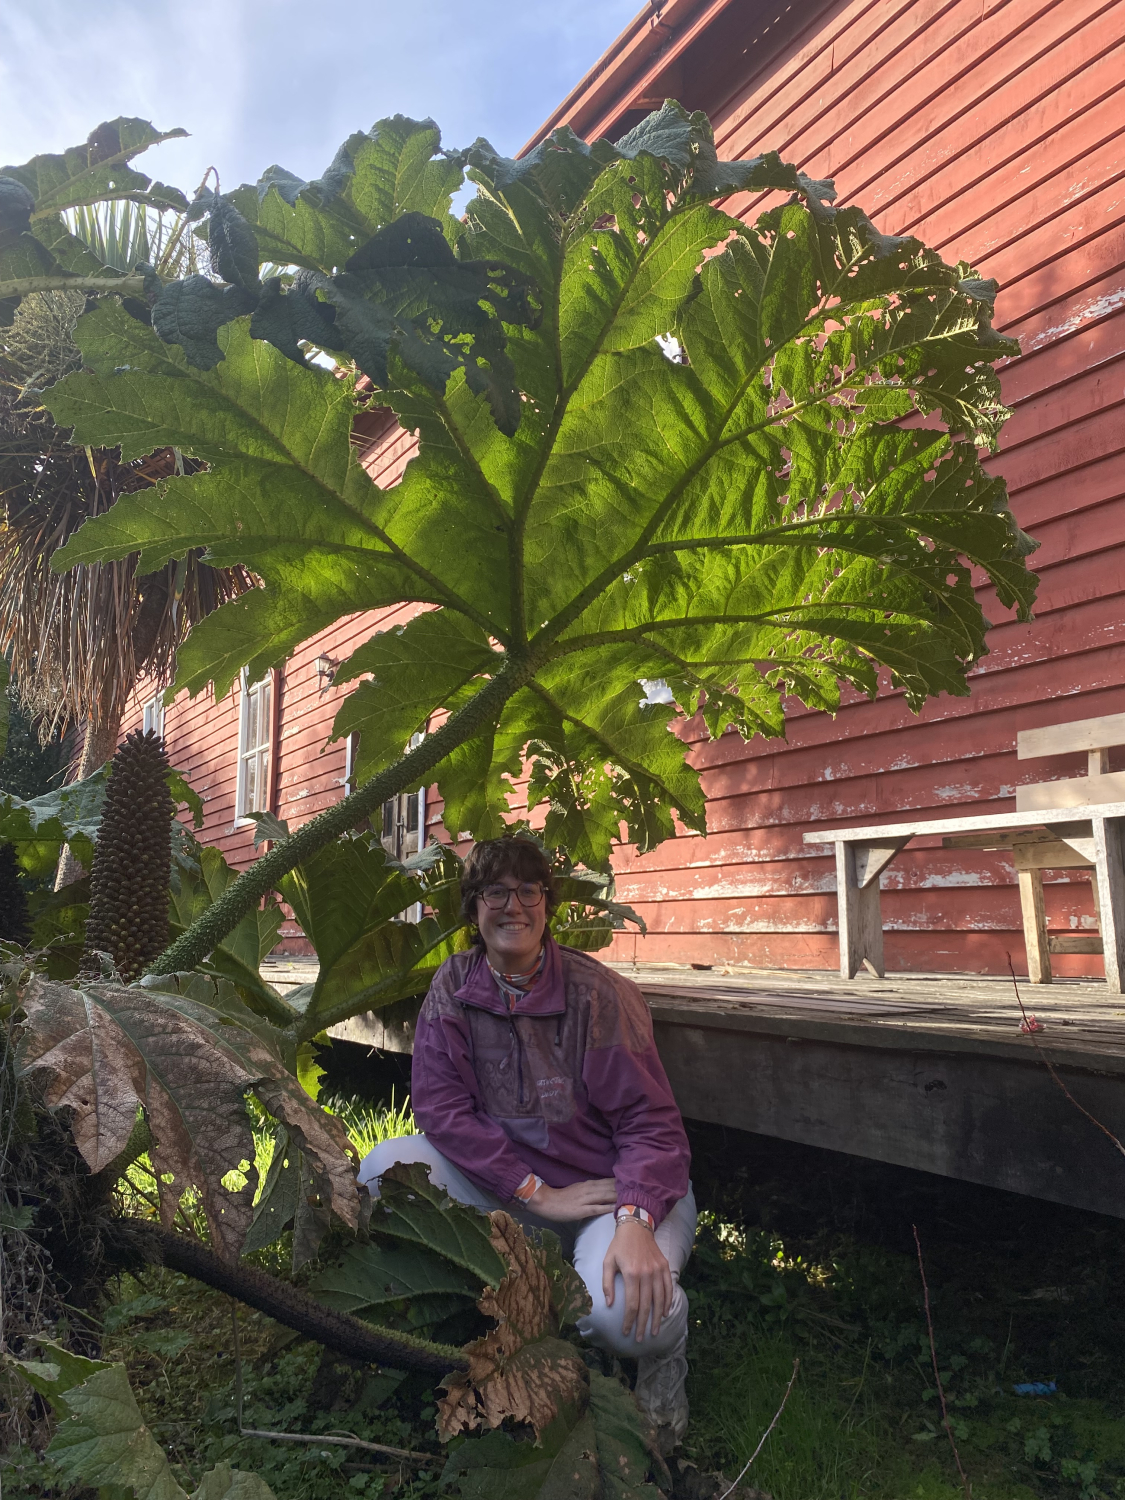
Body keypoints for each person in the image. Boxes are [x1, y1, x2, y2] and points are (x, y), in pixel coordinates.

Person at [358, 835, 697, 1447]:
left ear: (547, 904)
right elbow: (441, 1109)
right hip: (521, 1193)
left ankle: (665, 1348)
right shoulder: (454, 986)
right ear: (473, 907)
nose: (512, 905)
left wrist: (636, 1218)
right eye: (495, 892)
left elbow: (651, 1126)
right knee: (383, 1171)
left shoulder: (598, 995)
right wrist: (534, 1191)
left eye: (528, 891)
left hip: (611, 1195)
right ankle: (500, 1305)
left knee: (618, 1321)